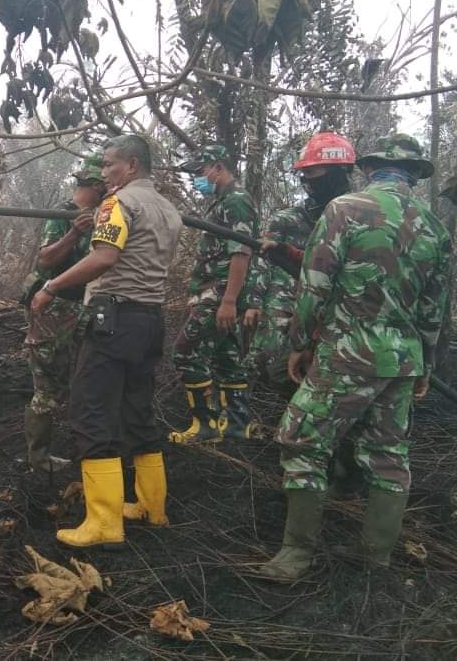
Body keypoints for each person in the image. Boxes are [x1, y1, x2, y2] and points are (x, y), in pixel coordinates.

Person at [259, 134, 451, 581]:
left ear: (370, 169)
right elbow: (434, 308)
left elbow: (315, 283)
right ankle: (375, 559)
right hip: (402, 359)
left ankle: (295, 556)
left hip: (348, 350)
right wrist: (424, 362)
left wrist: (300, 342)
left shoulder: (344, 209)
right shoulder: (435, 228)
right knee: (388, 453)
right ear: (414, 177)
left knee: (301, 439)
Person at [31, 135, 183, 548]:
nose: (105, 173)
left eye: (110, 165)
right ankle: (153, 506)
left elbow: (103, 258)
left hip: (113, 317)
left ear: (132, 166)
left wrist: (50, 286)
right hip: (150, 319)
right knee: (137, 412)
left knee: (91, 412)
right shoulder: (167, 208)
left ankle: (103, 523)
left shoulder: (119, 204)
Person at [245, 132, 356, 392]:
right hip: (286, 297)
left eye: (313, 174)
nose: (307, 182)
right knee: (268, 360)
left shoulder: (357, 219)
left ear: (338, 173)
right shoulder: (286, 219)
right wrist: (253, 302)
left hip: (336, 305)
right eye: (304, 176)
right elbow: (263, 261)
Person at [19, 153, 105, 472]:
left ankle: (70, 445)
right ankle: (38, 458)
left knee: (72, 377)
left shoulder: (107, 215)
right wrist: (74, 233)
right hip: (54, 309)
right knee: (45, 383)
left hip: (82, 307)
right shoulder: (64, 214)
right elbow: (45, 259)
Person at [171, 145, 259, 442]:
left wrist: (229, 300)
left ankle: (205, 426)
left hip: (221, 293)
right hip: (215, 292)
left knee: (185, 352)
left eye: (199, 172)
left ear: (218, 167)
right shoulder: (222, 200)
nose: (196, 179)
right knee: (227, 357)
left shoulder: (236, 201)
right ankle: (236, 427)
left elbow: (241, 251)